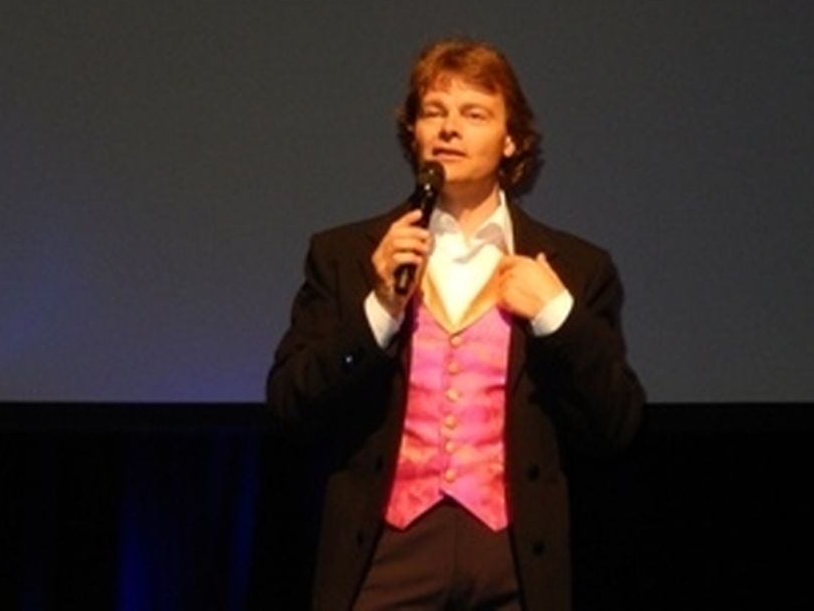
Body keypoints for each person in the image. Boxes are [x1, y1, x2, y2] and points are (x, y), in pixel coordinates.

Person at [266, 37, 646, 611]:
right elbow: (290, 404)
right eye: (433, 112)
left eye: (474, 114)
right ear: (413, 133)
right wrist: (379, 309)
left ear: (511, 140)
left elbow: (616, 424)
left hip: (513, 557)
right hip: (388, 551)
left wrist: (556, 316)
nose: (449, 128)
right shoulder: (347, 255)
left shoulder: (574, 267)